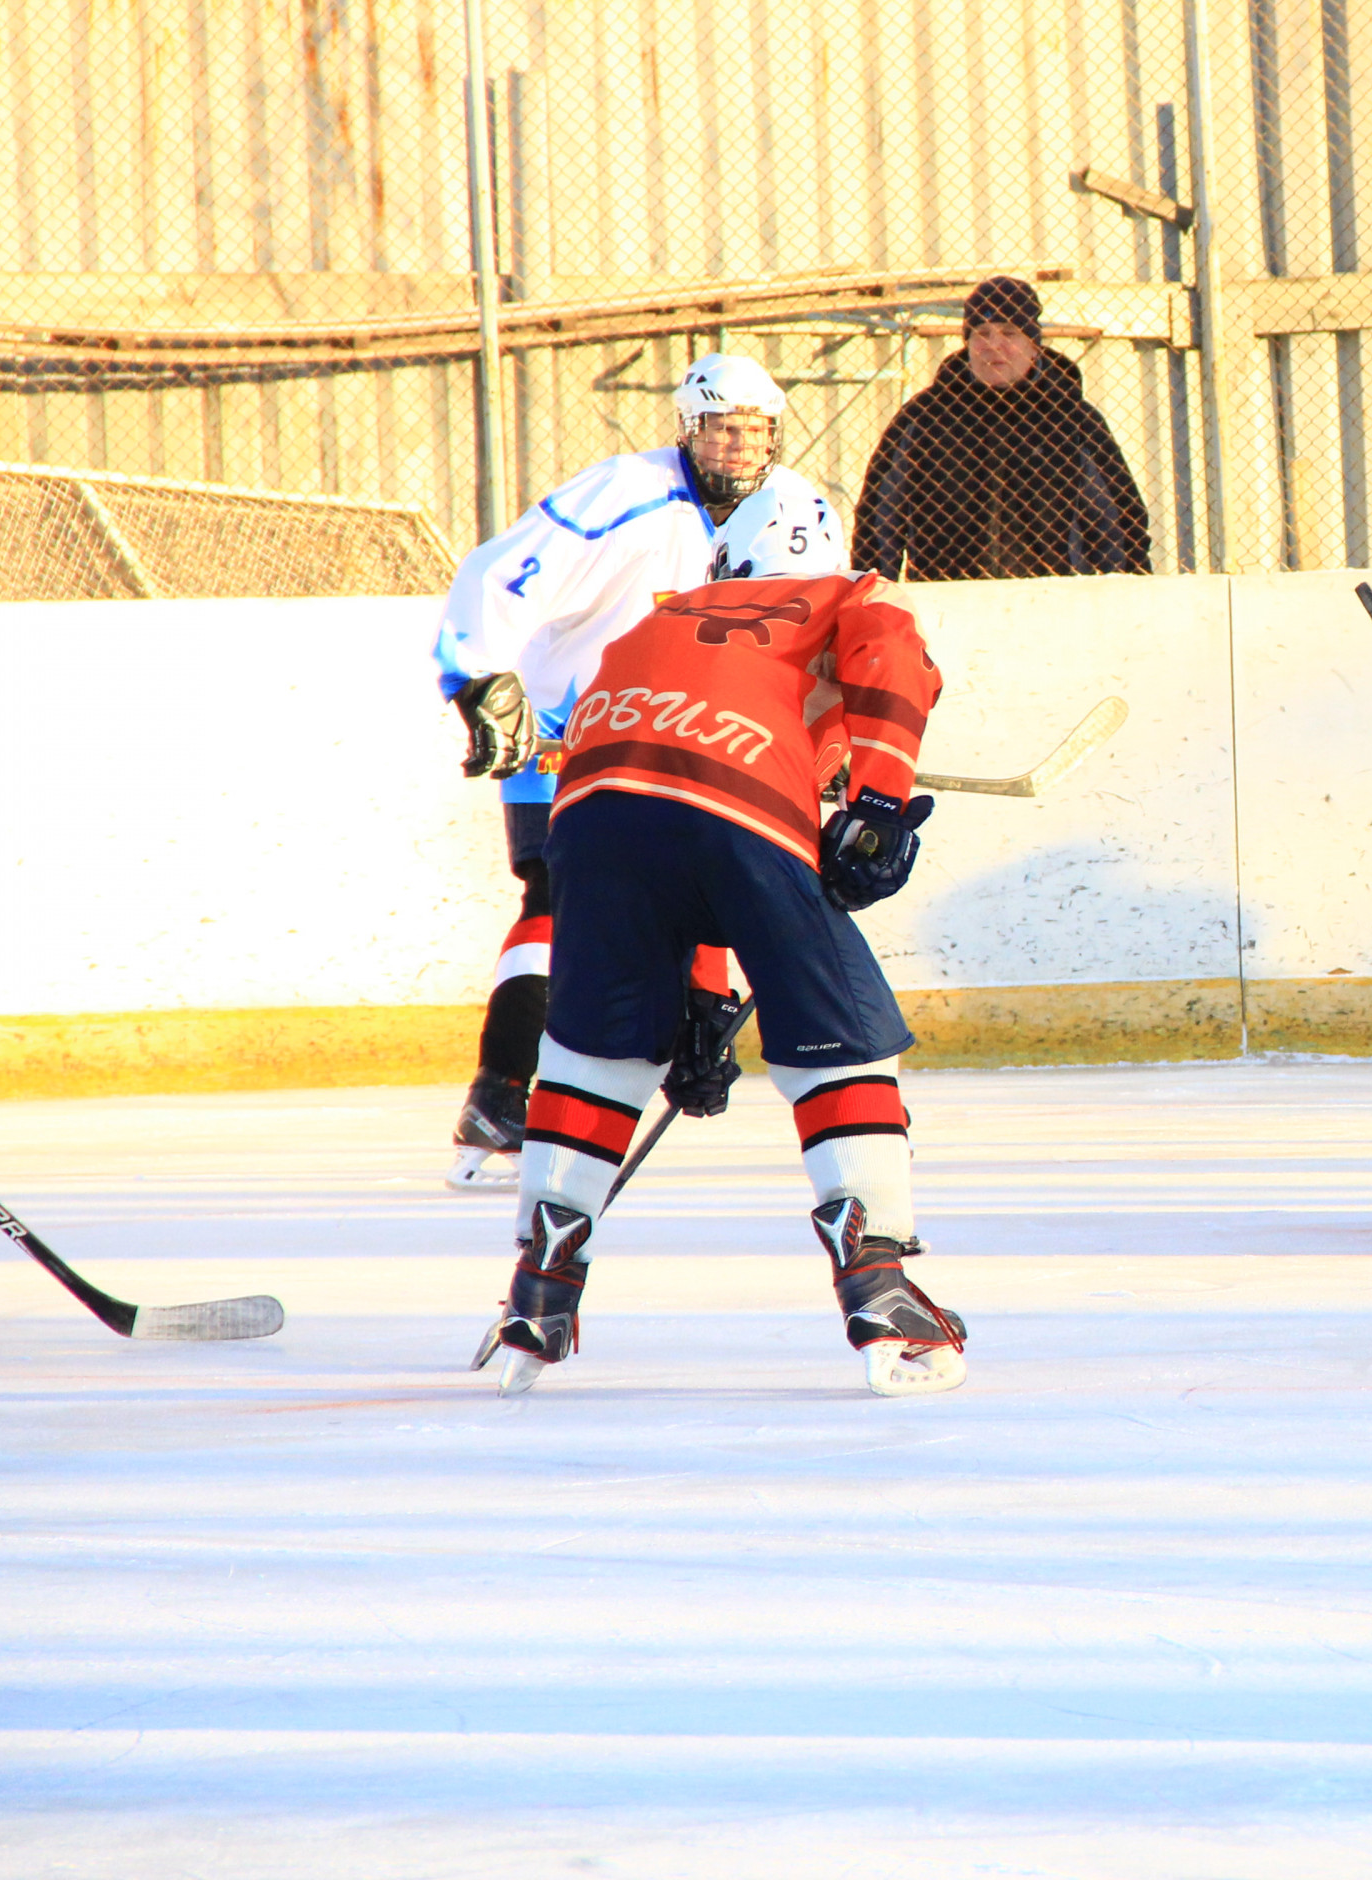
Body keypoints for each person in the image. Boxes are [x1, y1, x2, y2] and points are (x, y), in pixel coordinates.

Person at [487, 568, 962, 1397]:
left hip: (592, 805)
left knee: (596, 1056)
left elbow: (674, 832)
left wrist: (700, 1004)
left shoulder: (662, 616)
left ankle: (541, 1288)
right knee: (841, 1038)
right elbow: (886, 654)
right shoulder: (848, 590)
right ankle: (878, 1283)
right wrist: (880, 803)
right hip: (733, 793)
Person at [430, 352, 841, 1190]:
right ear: (688, 429)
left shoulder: (796, 511)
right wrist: (479, 682)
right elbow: (495, 573)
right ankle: (502, 1098)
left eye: (755, 430)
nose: (738, 446)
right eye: (721, 429)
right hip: (570, 729)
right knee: (559, 899)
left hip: (695, 742)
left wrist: (818, 747)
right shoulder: (624, 492)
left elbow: (816, 639)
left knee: (694, 902)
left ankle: (673, 1051)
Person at [849, 275, 1150, 581]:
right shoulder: (926, 417)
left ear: (1033, 346)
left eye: (1009, 332)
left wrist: (1130, 593)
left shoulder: (1071, 419)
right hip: (947, 597)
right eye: (982, 333)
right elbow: (879, 518)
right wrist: (871, 597)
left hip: (1053, 596)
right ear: (967, 344)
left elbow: (1118, 521)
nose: (993, 345)